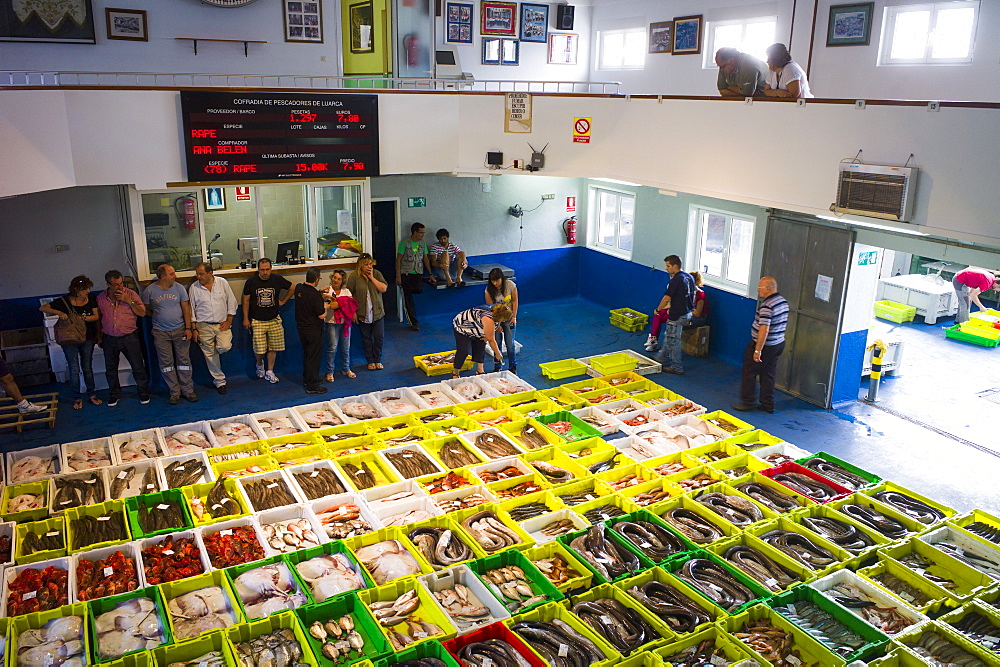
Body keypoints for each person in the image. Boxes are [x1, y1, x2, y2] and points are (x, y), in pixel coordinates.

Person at [40, 275, 102, 409]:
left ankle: (92, 394)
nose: (88, 291)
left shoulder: (91, 298)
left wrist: (81, 319)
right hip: (69, 339)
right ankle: (77, 397)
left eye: (88, 288)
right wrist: (58, 312)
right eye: (85, 289)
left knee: (87, 367)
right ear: (76, 289)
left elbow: (96, 316)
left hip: (88, 337)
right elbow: (43, 308)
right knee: (74, 368)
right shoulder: (64, 301)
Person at [733, 276, 789, 415]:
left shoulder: (767, 305)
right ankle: (767, 404)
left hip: (766, 346)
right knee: (768, 374)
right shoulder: (782, 302)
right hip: (778, 343)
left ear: (768, 288)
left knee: (749, 372)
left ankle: (747, 401)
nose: (758, 291)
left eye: (760, 288)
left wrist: (758, 350)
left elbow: (764, 329)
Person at [142, 264, 197, 405]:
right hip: (160, 333)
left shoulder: (179, 288)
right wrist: (157, 316)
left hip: (180, 330)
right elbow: (146, 309)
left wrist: (188, 328)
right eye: (171, 274)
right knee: (166, 364)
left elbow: (186, 308)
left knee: (184, 361)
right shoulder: (149, 291)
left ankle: (188, 390)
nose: (175, 276)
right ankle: (174, 392)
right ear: (162, 276)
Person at [97, 269, 150, 406]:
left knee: (138, 366)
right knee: (111, 369)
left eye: (121, 283)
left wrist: (129, 301)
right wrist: (99, 336)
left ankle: (143, 392)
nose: (120, 287)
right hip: (109, 337)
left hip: (129, 337)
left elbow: (142, 313)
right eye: (116, 284)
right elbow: (99, 318)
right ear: (108, 284)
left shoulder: (131, 294)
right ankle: (114, 394)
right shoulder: (101, 298)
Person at [188, 261, 237, 394]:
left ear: (210, 273)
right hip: (203, 326)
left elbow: (231, 302)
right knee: (210, 356)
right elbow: (191, 310)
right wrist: (194, 329)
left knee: (224, 346)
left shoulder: (222, 283)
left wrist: (229, 320)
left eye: (201, 274)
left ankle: (216, 349)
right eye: (197, 274)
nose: (199, 277)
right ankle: (220, 382)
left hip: (222, 324)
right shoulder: (194, 288)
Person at [242, 258, 293, 384]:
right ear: (258, 269)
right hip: (257, 320)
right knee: (259, 349)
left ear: (271, 269)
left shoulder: (277, 279)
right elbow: (246, 301)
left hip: (274, 318)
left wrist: (284, 301)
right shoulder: (251, 282)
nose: (265, 272)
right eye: (262, 270)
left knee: (273, 347)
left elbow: (292, 288)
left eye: (267, 269)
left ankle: (270, 371)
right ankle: (260, 364)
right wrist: (245, 318)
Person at [645, 255, 695, 375]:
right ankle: (661, 358)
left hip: (677, 315)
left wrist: (658, 309)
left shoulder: (676, 280)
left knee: (673, 341)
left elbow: (667, 297)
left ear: (675, 266)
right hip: (687, 313)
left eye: (668, 266)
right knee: (669, 336)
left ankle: (676, 367)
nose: (666, 268)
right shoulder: (689, 277)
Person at [345, 253, 388, 371]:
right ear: (360, 266)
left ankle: (378, 359)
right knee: (366, 338)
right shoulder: (354, 277)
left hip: (377, 312)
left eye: (370, 264)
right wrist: (353, 312)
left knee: (379, 336)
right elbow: (349, 295)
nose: (369, 267)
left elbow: (383, 289)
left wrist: (372, 278)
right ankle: (370, 360)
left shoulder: (377, 274)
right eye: (366, 265)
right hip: (362, 313)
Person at [451, 303, 514, 377]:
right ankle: (455, 371)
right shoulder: (488, 319)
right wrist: (498, 354)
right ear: (500, 317)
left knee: (481, 345)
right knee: (464, 351)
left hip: (478, 326)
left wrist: (497, 327)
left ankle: (480, 370)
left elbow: (491, 330)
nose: (503, 321)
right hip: (463, 326)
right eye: (503, 320)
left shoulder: (498, 310)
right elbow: (491, 340)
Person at [395, 222, 436, 330]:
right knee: (408, 298)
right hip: (406, 273)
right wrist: (398, 276)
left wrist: (430, 273)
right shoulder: (404, 243)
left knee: (419, 289)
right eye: (421, 233)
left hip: (418, 272)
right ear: (414, 232)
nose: (423, 235)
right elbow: (398, 260)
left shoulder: (422, 244)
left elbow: (426, 259)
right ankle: (414, 322)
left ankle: (409, 290)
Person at [294, 268, 328, 395]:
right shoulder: (315, 295)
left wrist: (319, 292)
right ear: (317, 279)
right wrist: (327, 306)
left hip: (301, 328)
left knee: (307, 354)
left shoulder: (299, 288)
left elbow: (308, 296)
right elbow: (321, 315)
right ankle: (312, 385)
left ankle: (307, 379)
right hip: (314, 330)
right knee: (314, 357)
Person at [324, 269, 358, 382]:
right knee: (332, 347)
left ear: (342, 281)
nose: (336, 280)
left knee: (346, 348)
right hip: (331, 322)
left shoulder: (347, 291)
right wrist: (343, 302)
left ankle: (346, 369)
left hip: (345, 323)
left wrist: (337, 303)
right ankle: (330, 372)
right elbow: (328, 305)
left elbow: (351, 305)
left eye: (338, 279)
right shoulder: (327, 291)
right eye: (334, 277)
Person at [484, 268, 518, 374]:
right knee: (496, 342)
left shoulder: (510, 285)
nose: (495, 283)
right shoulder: (488, 290)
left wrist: (514, 317)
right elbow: (490, 308)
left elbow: (515, 300)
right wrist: (496, 325)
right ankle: (497, 365)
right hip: (496, 319)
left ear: (502, 279)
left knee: (510, 343)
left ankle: (513, 366)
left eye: (497, 280)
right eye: (492, 281)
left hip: (508, 318)